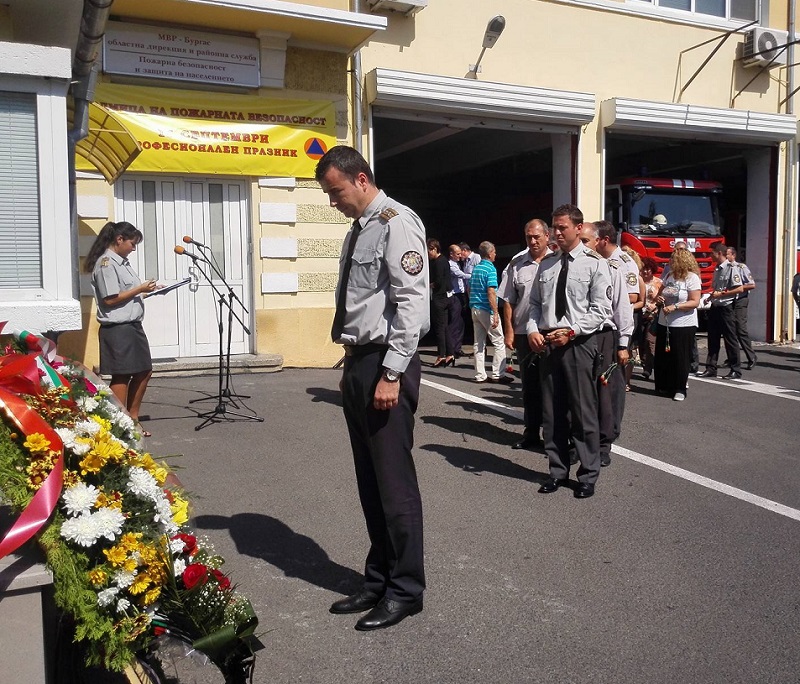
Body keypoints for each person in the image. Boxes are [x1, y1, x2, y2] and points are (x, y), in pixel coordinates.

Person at [316, 146, 428, 631]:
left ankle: (406, 590)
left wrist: (391, 372)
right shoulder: (359, 228)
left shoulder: (397, 222)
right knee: (370, 482)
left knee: (394, 484)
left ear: (361, 179)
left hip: (387, 367)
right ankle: (379, 578)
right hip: (361, 362)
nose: (333, 201)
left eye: (336, 192)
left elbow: (411, 303)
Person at [527, 204, 612, 499]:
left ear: (578, 228)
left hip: (579, 343)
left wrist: (573, 330)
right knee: (552, 413)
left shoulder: (594, 264)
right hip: (550, 343)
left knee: (583, 411)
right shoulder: (547, 264)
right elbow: (535, 304)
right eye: (555, 227)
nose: (557, 233)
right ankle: (557, 471)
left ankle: (587, 475)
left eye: (562, 227)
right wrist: (534, 329)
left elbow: (601, 308)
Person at [85, 221, 159, 436]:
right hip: (118, 328)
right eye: (132, 243)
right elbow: (110, 299)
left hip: (132, 326)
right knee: (122, 375)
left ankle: (132, 417)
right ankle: (121, 423)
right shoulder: (106, 264)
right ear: (119, 240)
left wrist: (149, 291)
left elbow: (127, 293)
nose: (133, 248)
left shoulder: (122, 263)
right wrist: (140, 288)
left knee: (145, 371)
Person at [583, 221, 634, 468]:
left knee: (606, 393)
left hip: (604, 335)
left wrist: (623, 343)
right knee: (581, 392)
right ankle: (580, 441)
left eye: (585, 241)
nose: (581, 246)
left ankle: (604, 443)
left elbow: (623, 307)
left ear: (598, 241)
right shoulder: (571, 268)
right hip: (578, 336)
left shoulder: (613, 268)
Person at [497, 219, 551, 449]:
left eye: (537, 236)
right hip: (523, 334)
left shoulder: (557, 261)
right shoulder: (516, 264)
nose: (533, 241)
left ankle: (554, 435)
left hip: (550, 333)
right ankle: (531, 433)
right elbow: (508, 300)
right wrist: (509, 330)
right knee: (529, 387)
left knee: (551, 387)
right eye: (529, 237)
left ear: (547, 236)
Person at [653, 248, 701, 400]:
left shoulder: (692, 278)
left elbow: (695, 301)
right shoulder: (669, 276)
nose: (670, 262)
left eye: (673, 259)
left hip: (683, 324)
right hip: (665, 322)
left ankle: (680, 388)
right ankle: (665, 386)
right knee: (663, 356)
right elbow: (660, 294)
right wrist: (659, 299)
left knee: (680, 357)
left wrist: (675, 307)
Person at [697, 242, 744, 379]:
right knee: (713, 338)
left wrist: (721, 294)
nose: (710, 255)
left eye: (712, 253)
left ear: (719, 253)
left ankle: (735, 369)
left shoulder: (731, 268)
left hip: (726, 307)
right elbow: (717, 288)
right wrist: (711, 297)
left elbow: (739, 288)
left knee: (730, 339)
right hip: (715, 306)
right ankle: (711, 367)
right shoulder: (717, 269)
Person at [470, 241, 512, 384]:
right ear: (489, 253)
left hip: (474, 307)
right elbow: (491, 292)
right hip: (486, 308)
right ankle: (498, 374)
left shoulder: (476, 268)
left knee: (478, 343)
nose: (495, 254)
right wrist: (495, 312)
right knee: (499, 341)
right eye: (494, 252)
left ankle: (480, 374)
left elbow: (469, 288)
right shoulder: (490, 269)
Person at [726, 247, 757, 369]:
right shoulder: (724, 268)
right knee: (729, 330)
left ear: (733, 255)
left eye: (727, 254)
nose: (725, 256)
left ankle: (751, 356)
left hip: (740, 300)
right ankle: (732, 358)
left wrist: (737, 289)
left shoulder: (741, 267)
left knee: (740, 329)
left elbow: (751, 284)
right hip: (728, 300)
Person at [427, 239, 456, 368]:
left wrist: (429, 285)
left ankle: (441, 355)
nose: (427, 254)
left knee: (439, 328)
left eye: (428, 251)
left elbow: (438, 281)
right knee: (445, 327)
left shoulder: (437, 263)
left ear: (434, 249)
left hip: (439, 297)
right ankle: (450, 353)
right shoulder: (444, 260)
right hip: (448, 296)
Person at [637, 257, 662, 380]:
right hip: (640, 315)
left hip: (653, 316)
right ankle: (644, 363)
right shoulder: (638, 281)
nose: (646, 272)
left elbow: (663, 298)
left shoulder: (658, 282)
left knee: (650, 341)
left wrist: (655, 302)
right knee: (640, 343)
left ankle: (648, 368)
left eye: (648, 269)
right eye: (644, 269)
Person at [448, 244, 470, 357]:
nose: (460, 255)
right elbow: (460, 275)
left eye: (460, 253)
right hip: (455, 296)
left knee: (461, 323)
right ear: (451, 254)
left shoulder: (458, 263)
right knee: (455, 323)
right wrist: (473, 275)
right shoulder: (451, 265)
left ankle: (458, 347)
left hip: (461, 295)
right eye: (457, 254)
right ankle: (452, 349)